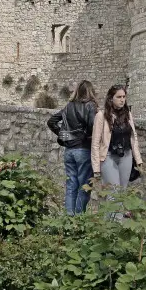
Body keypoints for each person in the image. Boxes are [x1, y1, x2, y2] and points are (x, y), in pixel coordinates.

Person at [47, 80, 98, 215]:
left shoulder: (69, 105)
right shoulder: (90, 106)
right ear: (91, 91)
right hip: (83, 149)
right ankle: (79, 220)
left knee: (71, 185)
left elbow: (51, 121)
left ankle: (69, 219)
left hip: (69, 150)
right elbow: (94, 127)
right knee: (84, 186)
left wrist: (64, 135)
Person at [92, 84, 143, 188]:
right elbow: (95, 143)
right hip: (108, 156)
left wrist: (138, 160)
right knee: (113, 193)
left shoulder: (127, 114)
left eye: (124, 97)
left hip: (127, 155)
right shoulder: (101, 116)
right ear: (111, 98)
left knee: (122, 192)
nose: (122, 100)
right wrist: (96, 168)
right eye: (119, 97)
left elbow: (133, 138)